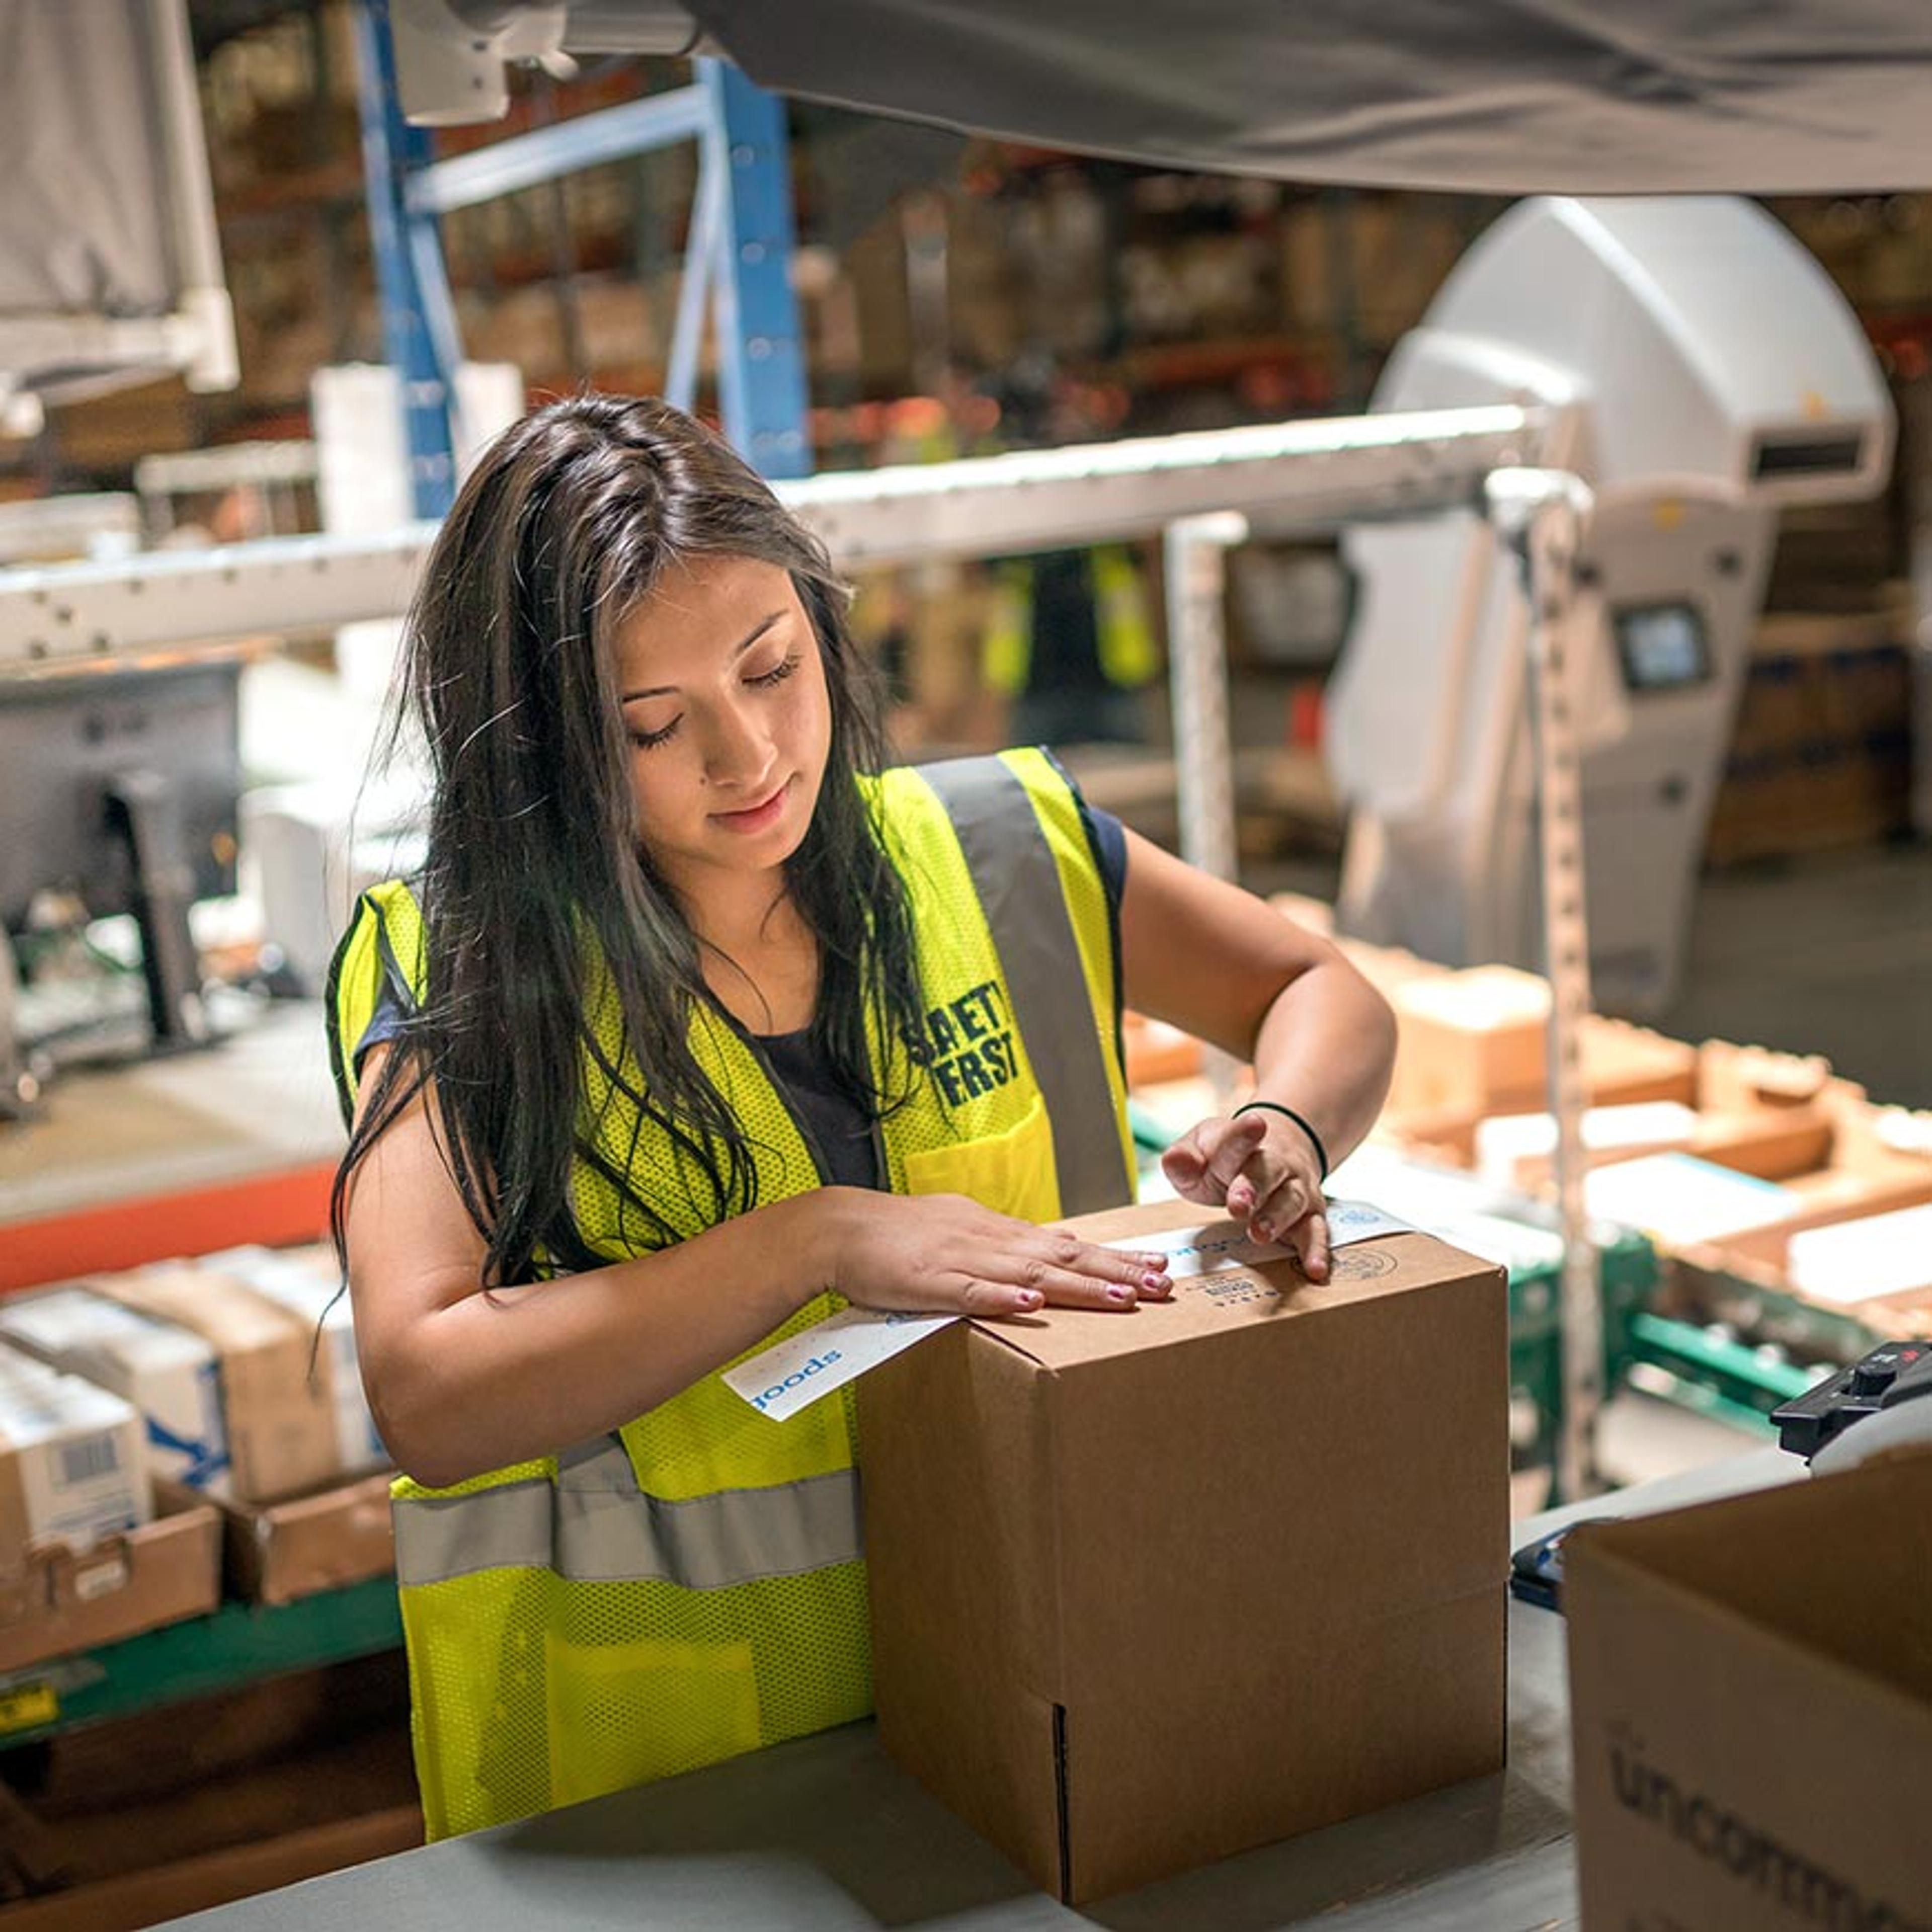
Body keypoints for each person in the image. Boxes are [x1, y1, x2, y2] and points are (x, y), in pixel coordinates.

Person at [326, 392, 1396, 1842]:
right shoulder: (461, 969)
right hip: (685, 1791)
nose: (750, 755)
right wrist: (808, 1243)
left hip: (1046, 1687)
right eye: (654, 727)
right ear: (541, 754)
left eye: (773, 669)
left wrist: (1291, 1127)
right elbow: (428, 1389)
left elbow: (1318, 989)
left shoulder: (999, 850)